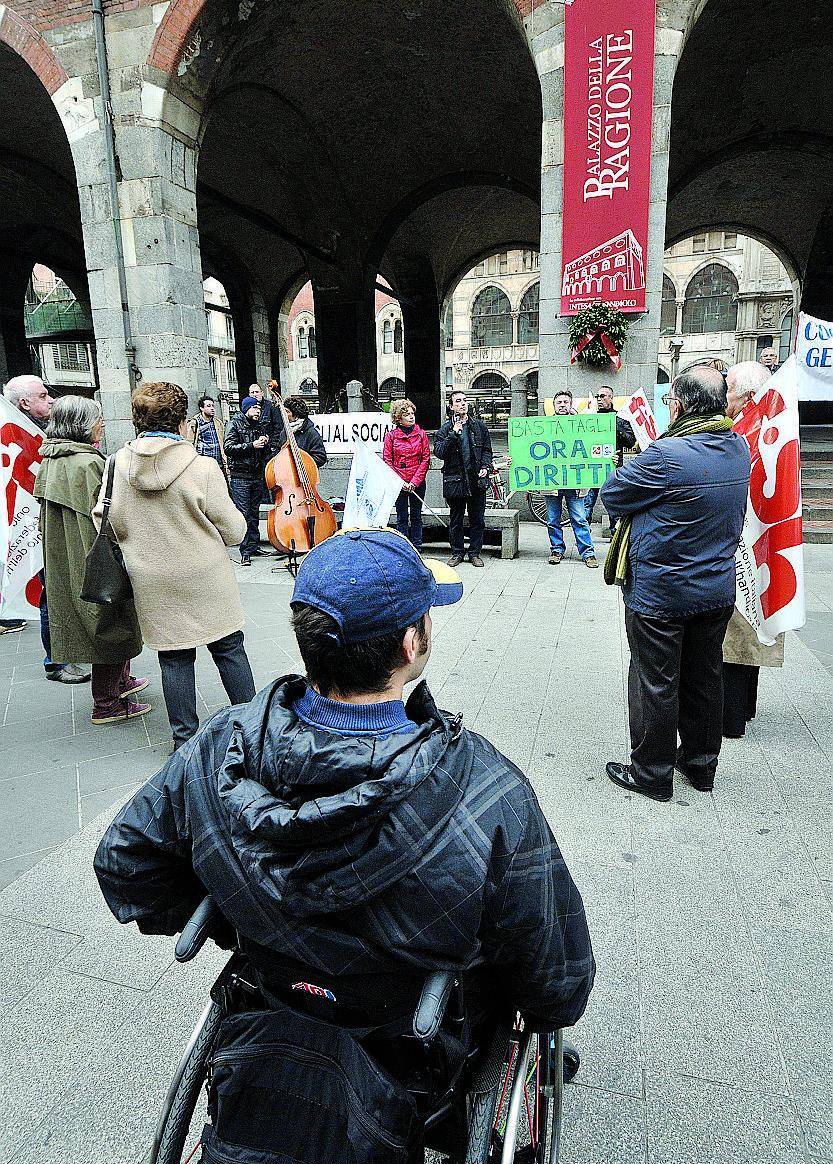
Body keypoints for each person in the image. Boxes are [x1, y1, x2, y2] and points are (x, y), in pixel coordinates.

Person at [94, 529, 595, 1116]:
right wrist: (547, 1015)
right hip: (415, 1038)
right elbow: (551, 964)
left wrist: (242, 917)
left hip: (273, 995)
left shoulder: (219, 746)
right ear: (412, 643)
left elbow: (126, 861)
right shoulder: (484, 788)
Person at [602, 366, 751, 801]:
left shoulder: (666, 455)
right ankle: (701, 768)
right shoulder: (737, 446)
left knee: (656, 681)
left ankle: (652, 774)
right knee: (705, 678)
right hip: (715, 590)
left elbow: (613, 493)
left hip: (662, 595)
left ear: (679, 405)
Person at [94, 381, 256, 748]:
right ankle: (251, 730)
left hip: (151, 580)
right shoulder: (202, 467)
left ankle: (184, 740)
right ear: (183, 421)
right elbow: (233, 531)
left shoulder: (116, 465)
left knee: (174, 658)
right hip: (205, 576)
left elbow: (104, 521)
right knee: (229, 648)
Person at [33, 396, 149, 724]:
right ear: (82, 425)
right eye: (97, 419)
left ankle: (121, 683)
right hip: (95, 557)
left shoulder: (52, 460)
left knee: (108, 621)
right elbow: (108, 516)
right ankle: (107, 703)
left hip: (67, 558)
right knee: (111, 624)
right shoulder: (86, 464)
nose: (101, 424)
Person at [3, 375, 89, 685]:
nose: (50, 400)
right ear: (24, 403)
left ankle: (65, 651)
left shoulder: (39, 432)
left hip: (47, 525)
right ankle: (55, 661)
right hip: (35, 528)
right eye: (43, 396)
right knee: (50, 593)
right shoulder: (19, 436)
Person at [723, 360, 785, 738]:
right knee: (752, 623)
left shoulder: (746, 430)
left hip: (745, 544)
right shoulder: (770, 426)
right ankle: (744, 708)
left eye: (729, 389)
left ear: (746, 395)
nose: (724, 397)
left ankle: (731, 717)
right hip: (764, 544)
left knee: (737, 631)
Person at [434, 391, 493, 567]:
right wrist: (453, 434)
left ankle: (474, 552)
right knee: (456, 520)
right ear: (451, 406)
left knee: (477, 519)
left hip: (476, 480)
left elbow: (487, 451)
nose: (462, 404)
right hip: (455, 481)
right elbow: (439, 452)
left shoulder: (479, 426)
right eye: (458, 401)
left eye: (464, 400)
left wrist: (485, 467)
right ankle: (457, 552)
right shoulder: (445, 429)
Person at [544, 391, 598, 569]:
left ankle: (588, 552)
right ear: (554, 405)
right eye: (559, 402)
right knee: (553, 519)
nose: (562, 404)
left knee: (579, 518)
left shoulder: (582, 425)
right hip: (552, 483)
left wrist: (608, 458)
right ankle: (556, 549)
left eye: (565, 402)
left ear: (570, 404)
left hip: (575, 482)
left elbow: (591, 447)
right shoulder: (543, 426)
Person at [224, 395, 270, 565]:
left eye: (259, 408)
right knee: (244, 514)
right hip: (240, 477)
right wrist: (251, 445)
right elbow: (228, 448)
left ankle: (254, 545)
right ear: (246, 409)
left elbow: (265, 452)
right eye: (254, 408)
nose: (258, 411)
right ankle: (245, 551)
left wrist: (265, 443)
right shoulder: (234, 424)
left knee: (254, 512)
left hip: (256, 475)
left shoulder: (259, 426)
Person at [583, 386, 635, 529]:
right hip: (593, 467)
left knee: (614, 503)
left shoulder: (620, 419)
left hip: (613, 467)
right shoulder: (590, 419)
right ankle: (584, 535)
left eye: (603, 396)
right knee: (587, 502)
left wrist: (615, 426)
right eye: (597, 396)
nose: (599, 399)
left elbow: (630, 442)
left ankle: (615, 534)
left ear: (611, 398)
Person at [382, 398, 431, 551]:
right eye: (407, 414)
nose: (411, 416)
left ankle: (417, 545)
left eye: (412, 413)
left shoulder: (422, 435)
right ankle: (403, 546)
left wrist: (414, 482)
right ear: (398, 418)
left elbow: (425, 459)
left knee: (416, 516)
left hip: (417, 482)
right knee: (402, 516)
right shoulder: (391, 436)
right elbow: (387, 460)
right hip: (399, 483)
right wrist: (399, 482)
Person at [269, 387, 328, 468]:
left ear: (296, 415)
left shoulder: (311, 432)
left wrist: (300, 462)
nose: (283, 414)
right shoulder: (284, 432)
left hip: (306, 475)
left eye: (287, 411)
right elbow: (278, 451)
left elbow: (321, 457)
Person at [186, 394, 229, 479]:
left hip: (218, 463)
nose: (212, 408)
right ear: (201, 408)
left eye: (213, 406)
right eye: (208, 406)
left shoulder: (218, 422)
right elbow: (189, 442)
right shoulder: (194, 423)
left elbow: (223, 441)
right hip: (202, 463)